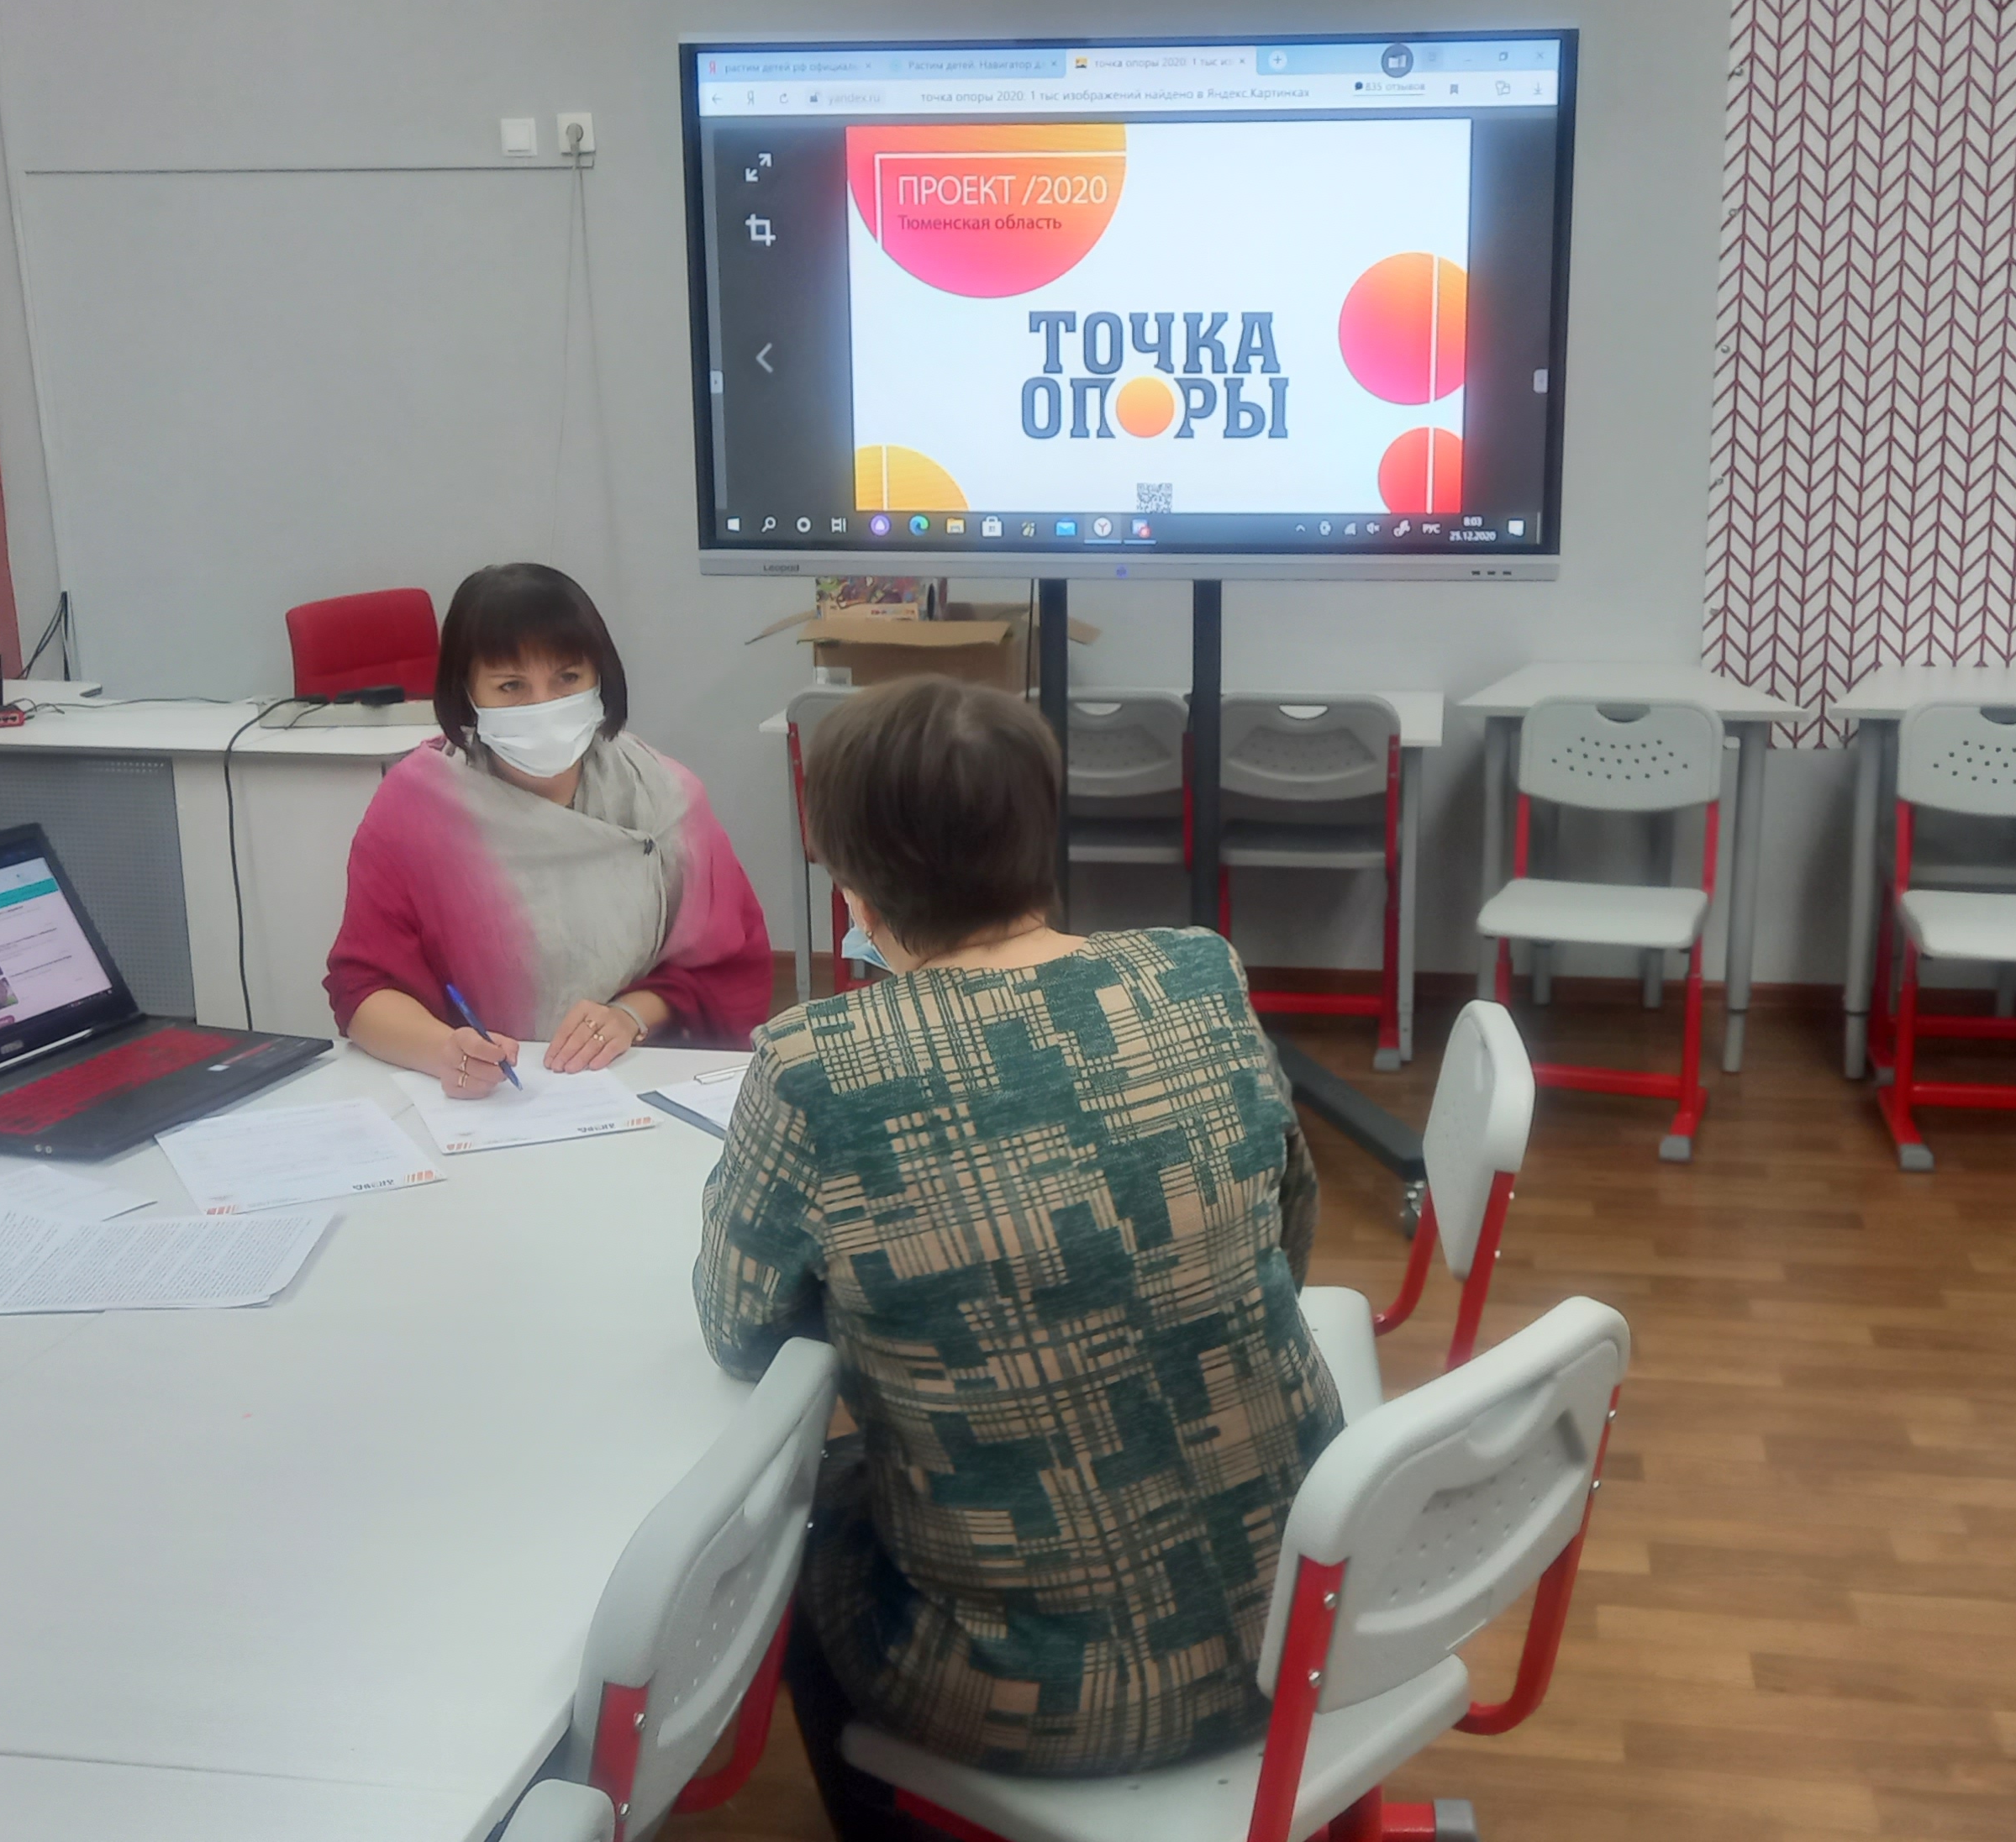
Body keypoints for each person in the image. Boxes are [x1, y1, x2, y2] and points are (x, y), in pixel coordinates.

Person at [693, 676, 1340, 1835]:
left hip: (1034, 1698)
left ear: (848, 877)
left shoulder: (811, 1065)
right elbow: (1290, 1228)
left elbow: (742, 1332)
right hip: (1306, 1621)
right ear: (1045, 830)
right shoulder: (1198, 973)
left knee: (802, 1520)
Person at [326, 563, 770, 1094]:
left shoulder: (664, 796)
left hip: (636, 1085)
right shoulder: (413, 809)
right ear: (466, 692)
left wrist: (630, 1015)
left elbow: (723, 966)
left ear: (600, 676)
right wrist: (443, 1050)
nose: (544, 706)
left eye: (567, 679)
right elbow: (362, 986)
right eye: (511, 686)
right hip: (486, 1099)